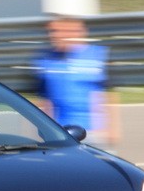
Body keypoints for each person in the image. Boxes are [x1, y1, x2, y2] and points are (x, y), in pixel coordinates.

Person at [31, 15, 120, 149]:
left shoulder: (98, 56)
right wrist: (44, 131)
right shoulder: (44, 60)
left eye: (63, 31)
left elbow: (109, 96)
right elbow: (43, 100)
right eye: (53, 31)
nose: (56, 36)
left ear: (80, 32)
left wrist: (113, 130)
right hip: (60, 132)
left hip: (93, 132)